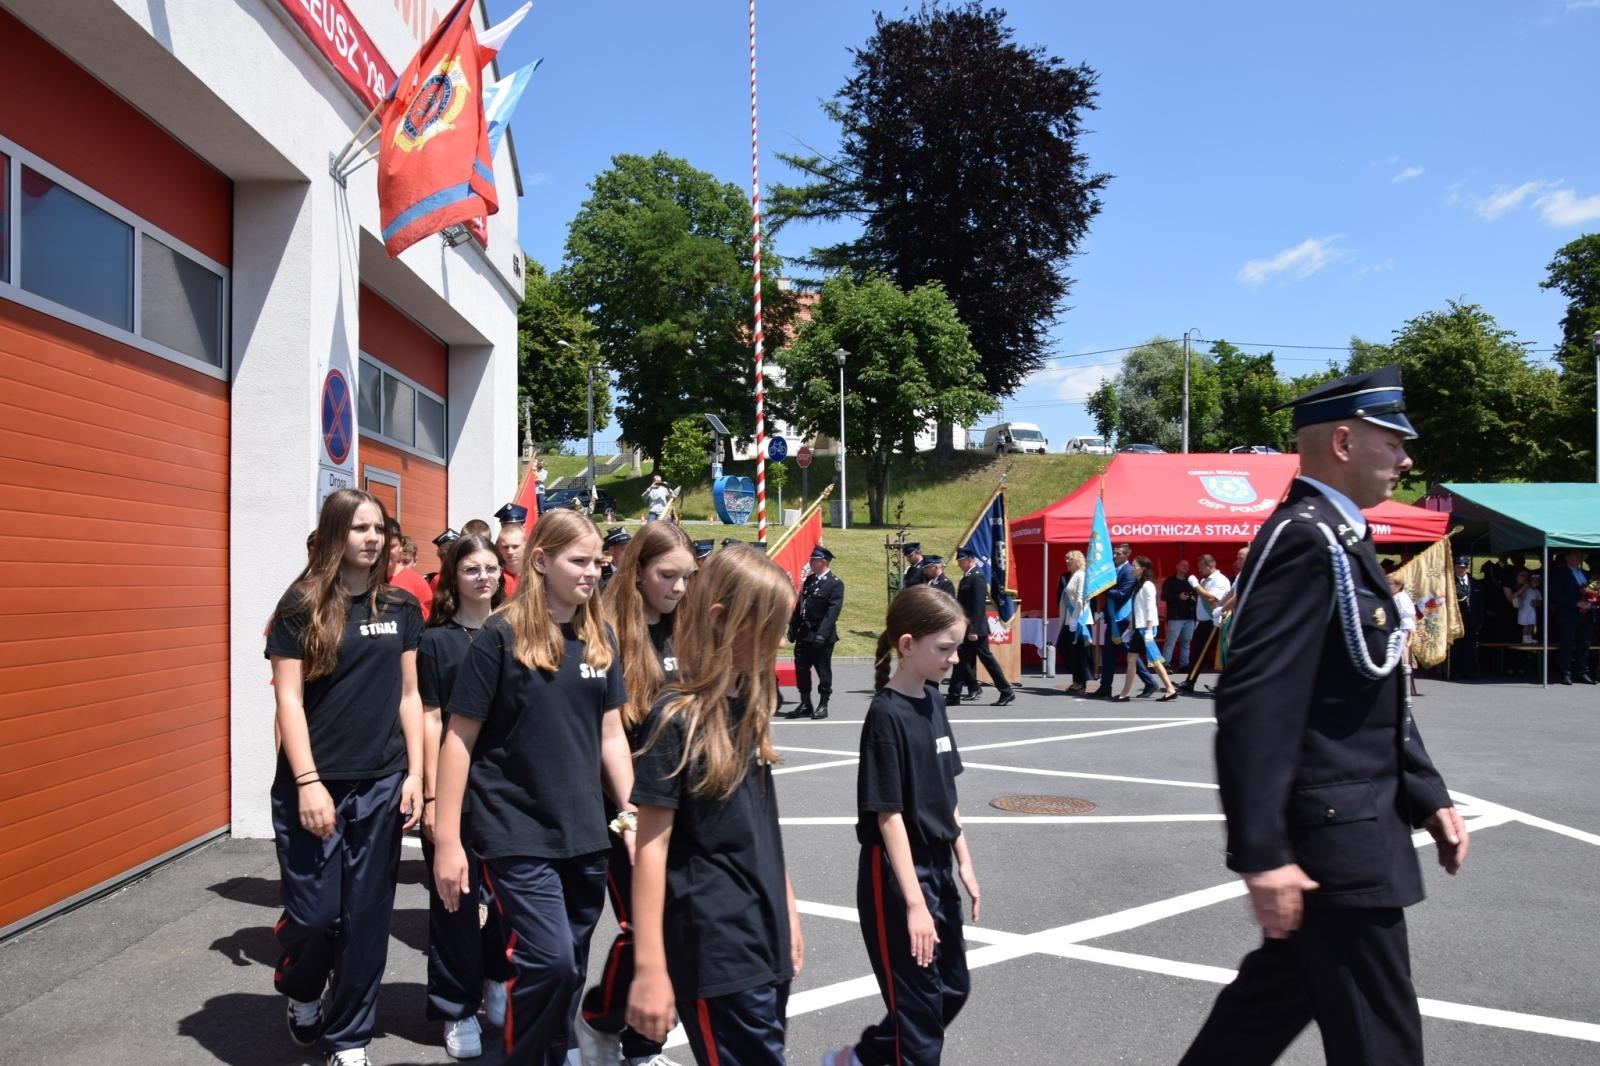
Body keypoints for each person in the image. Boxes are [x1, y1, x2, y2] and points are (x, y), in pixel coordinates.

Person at [1177, 365, 1468, 1066]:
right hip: (1337, 844)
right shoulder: (1306, 539)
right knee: (1381, 1043)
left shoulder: (1341, 537)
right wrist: (1264, 853)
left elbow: (1366, 690)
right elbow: (1256, 705)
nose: (1405, 459)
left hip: (1349, 830)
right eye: (1392, 443)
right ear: (1343, 440)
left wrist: (1427, 794)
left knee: (1259, 1018)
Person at [432, 509, 638, 1066]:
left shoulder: (601, 636)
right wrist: (448, 841)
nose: (593, 572)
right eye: (579, 560)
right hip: (514, 831)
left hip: (584, 834)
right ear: (541, 562)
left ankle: (550, 1052)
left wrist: (632, 809)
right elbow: (457, 741)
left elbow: (611, 734)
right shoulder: (499, 638)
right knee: (552, 962)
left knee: (567, 966)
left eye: (598, 561)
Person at [625, 546, 805, 1066]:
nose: (780, 642)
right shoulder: (674, 719)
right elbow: (651, 852)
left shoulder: (749, 704)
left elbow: (762, 827)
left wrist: (788, 913)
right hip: (715, 945)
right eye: (770, 628)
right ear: (722, 620)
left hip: (762, 935)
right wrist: (651, 968)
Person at [265, 489, 424, 1066]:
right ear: (336, 534)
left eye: (378, 528)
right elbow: (287, 701)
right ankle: (304, 988)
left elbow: (411, 696)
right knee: (315, 916)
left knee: (366, 918)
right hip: (314, 786)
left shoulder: (402, 609)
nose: (373, 538)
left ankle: (350, 1037)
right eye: (360, 528)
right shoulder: (299, 605)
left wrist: (416, 775)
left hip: (383, 783)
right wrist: (307, 781)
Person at [824, 587, 980, 1066]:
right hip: (896, 873)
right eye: (944, 648)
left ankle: (863, 1058)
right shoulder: (886, 715)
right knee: (917, 1015)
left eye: (957, 648)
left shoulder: (933, 701)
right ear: (907, 644)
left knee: (952, 987)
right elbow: (888, 815)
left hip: (936, 866)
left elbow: (946, 793)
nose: (954, 659)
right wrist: (914, 905)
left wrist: (965, 862)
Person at [577, 522, 696, 1066]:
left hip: (682, 804)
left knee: (678, 926)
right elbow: (603, 739)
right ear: (637, 572)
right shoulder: (603, 633)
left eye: (687, 577)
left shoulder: (688, 630)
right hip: (623, 808)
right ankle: (599, 1017)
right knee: (639, 925)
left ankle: (643, 1044)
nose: (679, 588)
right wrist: (627, 818)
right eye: (668, 576)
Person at [418, 534, 513, 1060]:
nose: (484, 576)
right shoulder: (436, 642)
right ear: (453, 577)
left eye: (492, 567)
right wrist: (434, 797)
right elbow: (431, 719)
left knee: (509, 897)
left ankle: (498, 977)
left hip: (510, 792)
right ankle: (456, 1006)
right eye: (472, 568)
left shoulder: (518, 633)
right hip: (456, 794)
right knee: (453, 902)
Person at [782, 546, 845, 720]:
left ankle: (823, 705)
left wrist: (822, 634)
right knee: (801, 669)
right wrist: (793, 627)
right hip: (804, 633)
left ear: (823, 562)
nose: (810, 562)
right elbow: (800, 605)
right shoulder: (809, 581)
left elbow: (832, 613)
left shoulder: (835, 584)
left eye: (813, 560)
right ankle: (805, 703)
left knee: (823, 671)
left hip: (821, 635)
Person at [948, 546, 1016, 707]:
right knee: (961, 661)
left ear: (970, 559)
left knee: (986, 660)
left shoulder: (976, 578)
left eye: (961, 561)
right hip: (968, 627)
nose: (959, 564)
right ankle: (954, 695)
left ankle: (1006, 691)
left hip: (975, 629)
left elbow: (979, 607)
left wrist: (973, 630)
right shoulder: (967, 577)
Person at [1094, 544, 1157, 699]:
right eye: (1114, 553)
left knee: (1130, 654)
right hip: (1113, 619)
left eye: (1118, 553)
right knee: (1109, 654)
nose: (1114, 556)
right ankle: (1105, 687)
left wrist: (1103, 589)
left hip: (1122, 619)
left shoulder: (1128, 572)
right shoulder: (1113, 571)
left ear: (1126, 555)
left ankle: (1150, 682)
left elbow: (1122, 594)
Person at [1116, 556, 1178, 702]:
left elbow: (1151, 609)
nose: (1132, 568)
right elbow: (1137, 609)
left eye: (1135, 566)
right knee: (1138, 658)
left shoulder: (1147, 586)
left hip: (1145, 628)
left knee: (1150, 659)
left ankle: (1169, 689)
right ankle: (1168, 689)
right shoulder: (1139, 585)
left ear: (1142, 569)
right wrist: (1130, 628)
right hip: (1140, 627)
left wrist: (1149, 630)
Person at [1176, 555, 1232, 694]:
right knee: (1198, 652)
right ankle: (1190, 682)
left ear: (1210, 565)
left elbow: (1211, 598)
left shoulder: (1221, 580)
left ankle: (1226, 685)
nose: (1199, 570)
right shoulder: (1204, 580)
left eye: (1201, 567)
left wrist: (1195, 585)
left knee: (1223, 655)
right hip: (1203, 622)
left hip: (1215, 623)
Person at [1548, 549, 1595, 685]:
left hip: (1586, 615)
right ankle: (1565, 673)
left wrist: (1591, 602)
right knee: (1567, 644)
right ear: (1567, 558)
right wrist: (1576, 602)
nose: (1579, 558)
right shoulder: (1560, 574)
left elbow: (1594, 591)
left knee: (1584, 645)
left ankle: (1583, 672)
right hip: (1568, 615)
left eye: (1580, 556)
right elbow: (1556, 594)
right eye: (1575, 555)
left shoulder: (1587, 574)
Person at [1055, 549, 1093, 694]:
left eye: (1070, 559)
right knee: (1066, 648)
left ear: (1077, 560)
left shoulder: (1081, 575)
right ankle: (1077, 679)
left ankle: (1080, 682)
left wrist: (1076, 619)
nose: (1067, 561)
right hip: (1069, 619)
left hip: (1079, 620)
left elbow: (1080, 598)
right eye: (1066, 558)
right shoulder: (1072, 576)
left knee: (1079, 653)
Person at [387, 519, 434, 621]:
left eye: (391, 546)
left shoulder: (417, 582)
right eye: (383, 547)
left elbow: (428, 620)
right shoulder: (363, 578)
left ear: (401, 544)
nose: (386, 553)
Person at [1448, 555, 1481, 682]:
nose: (1461, 570)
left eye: (1463, 567)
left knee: (1470, 648)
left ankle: (1469, 672)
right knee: (1456, 648)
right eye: (1458, 567)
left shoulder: (1475, 582)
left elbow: (1480, 603)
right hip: (1457, 621)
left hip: (1472, 621)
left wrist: (1479, 620)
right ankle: (1455, 673)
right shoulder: (1450, 584)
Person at [1161, 558, 1197, 672]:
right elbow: (1164, 597)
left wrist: (1189, 597)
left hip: (1189, 616)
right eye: (1183, 565)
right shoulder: (1170, 581)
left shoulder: (1191, 582)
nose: (1185, 567)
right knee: (1171, 641)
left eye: (1187, 566)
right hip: (1175, 617)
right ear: (1177, 566)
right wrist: (1178, 596)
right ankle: (1166, 664)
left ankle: (1184, 664)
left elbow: (1197, 597)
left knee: (1186, 642)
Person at [1388, 573, 1421, 698]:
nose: (1388, 586)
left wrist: (1406, 634)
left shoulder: (1400, 598)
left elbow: (1407, 617)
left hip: (1401, 632)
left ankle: (1402, 687)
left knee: (1402, 660)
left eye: (1390, 584)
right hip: (1395, 631)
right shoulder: (1394, 596)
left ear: (1399, 585)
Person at [494, 503, 529, 599]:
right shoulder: (493, 555)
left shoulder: (536, 562)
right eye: (505, 527)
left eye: (515, 546)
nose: (510, 551)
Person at [601, 527, 632, 595]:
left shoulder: (637, 573)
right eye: (624, 549)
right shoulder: (601, 575)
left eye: (631, 549)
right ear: (611, 550)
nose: (629, 553)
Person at [1515, 571, 1542, 645]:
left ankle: (1530, 637)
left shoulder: (1538, 592)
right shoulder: (1526, 589)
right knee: (1526, 624)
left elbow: (1540, 602)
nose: (1535, 583)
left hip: (1532, 610)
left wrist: (1536, 603)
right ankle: (1524, 638)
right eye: (1533, 581)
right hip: (1524, 609)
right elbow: (1520, 597)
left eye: (1537, 582)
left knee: (1531, 624)